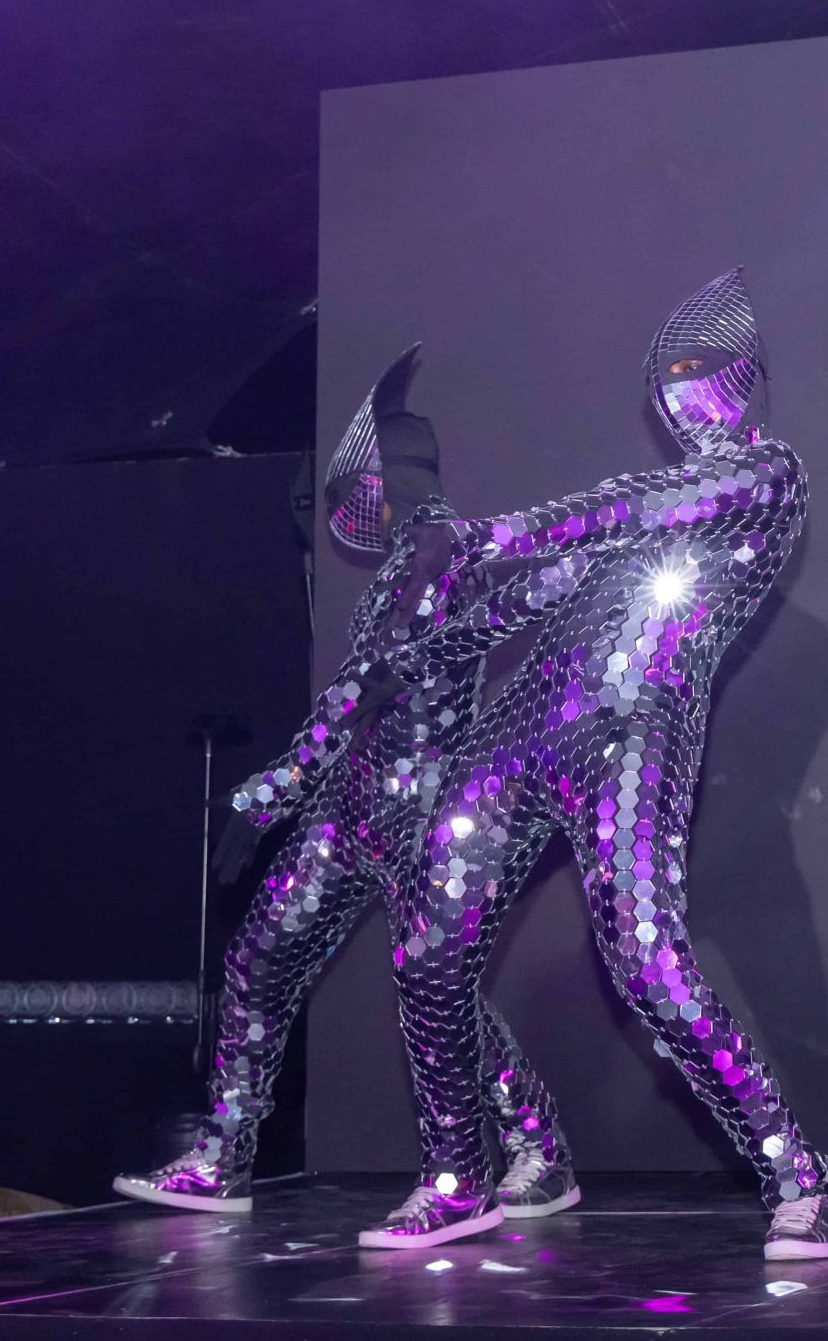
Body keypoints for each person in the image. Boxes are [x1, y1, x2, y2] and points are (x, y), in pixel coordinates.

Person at [357, 270, 828, 1259]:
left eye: (698, 374)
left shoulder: (763, 477)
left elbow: (622, 509)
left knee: (647, 964)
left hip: (635, 734)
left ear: (744, 379)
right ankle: (461, 1177)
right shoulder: (633, 520)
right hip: (518, 732)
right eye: (666, 382)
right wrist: (415, 652)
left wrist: (486, 536)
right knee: (426, 947)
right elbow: (533, 593)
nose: (681, 396)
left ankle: (798, 1178)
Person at [115, 349, 575, 1228]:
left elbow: (358, 693)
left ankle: (529, 1150)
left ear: (385, 479)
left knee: (434, 991)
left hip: (420, 819)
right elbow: (360, 700)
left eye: (358, 487)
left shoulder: (441, 553)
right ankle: (223, 1159)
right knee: (260, 958)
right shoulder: (411, 557)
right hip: (357, 806)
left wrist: (267, 795)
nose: (347, 510)